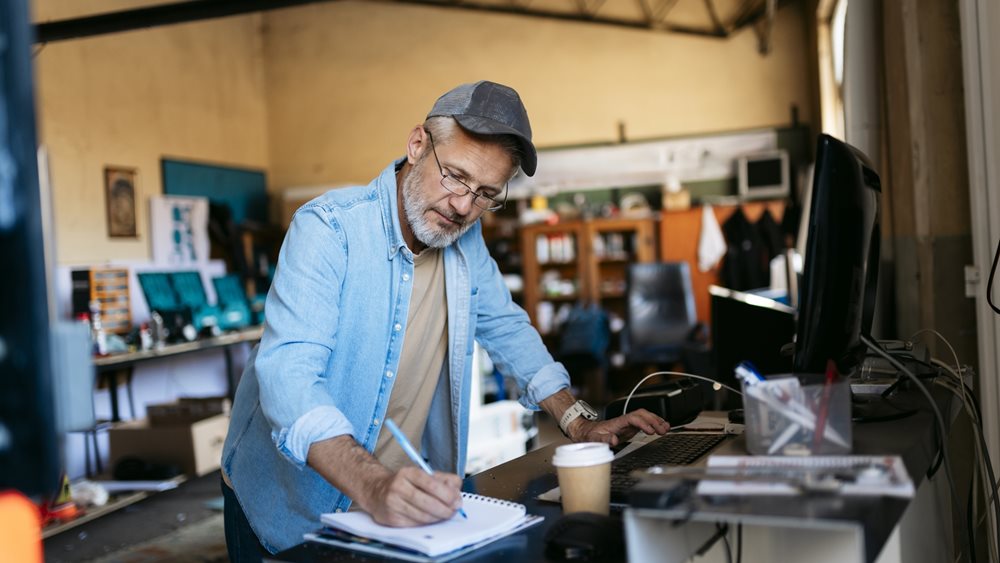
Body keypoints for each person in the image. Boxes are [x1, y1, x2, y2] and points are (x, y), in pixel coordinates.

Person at [220, 80, 670, 560]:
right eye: (454, 176)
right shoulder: (329, 229)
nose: (462, 206)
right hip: (288, 507)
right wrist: (372, 484)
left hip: (398, 513)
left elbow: (506, 327)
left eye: (485, 195)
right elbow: (288, 376)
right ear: (417, 145)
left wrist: (577, 420)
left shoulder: (464, 242)